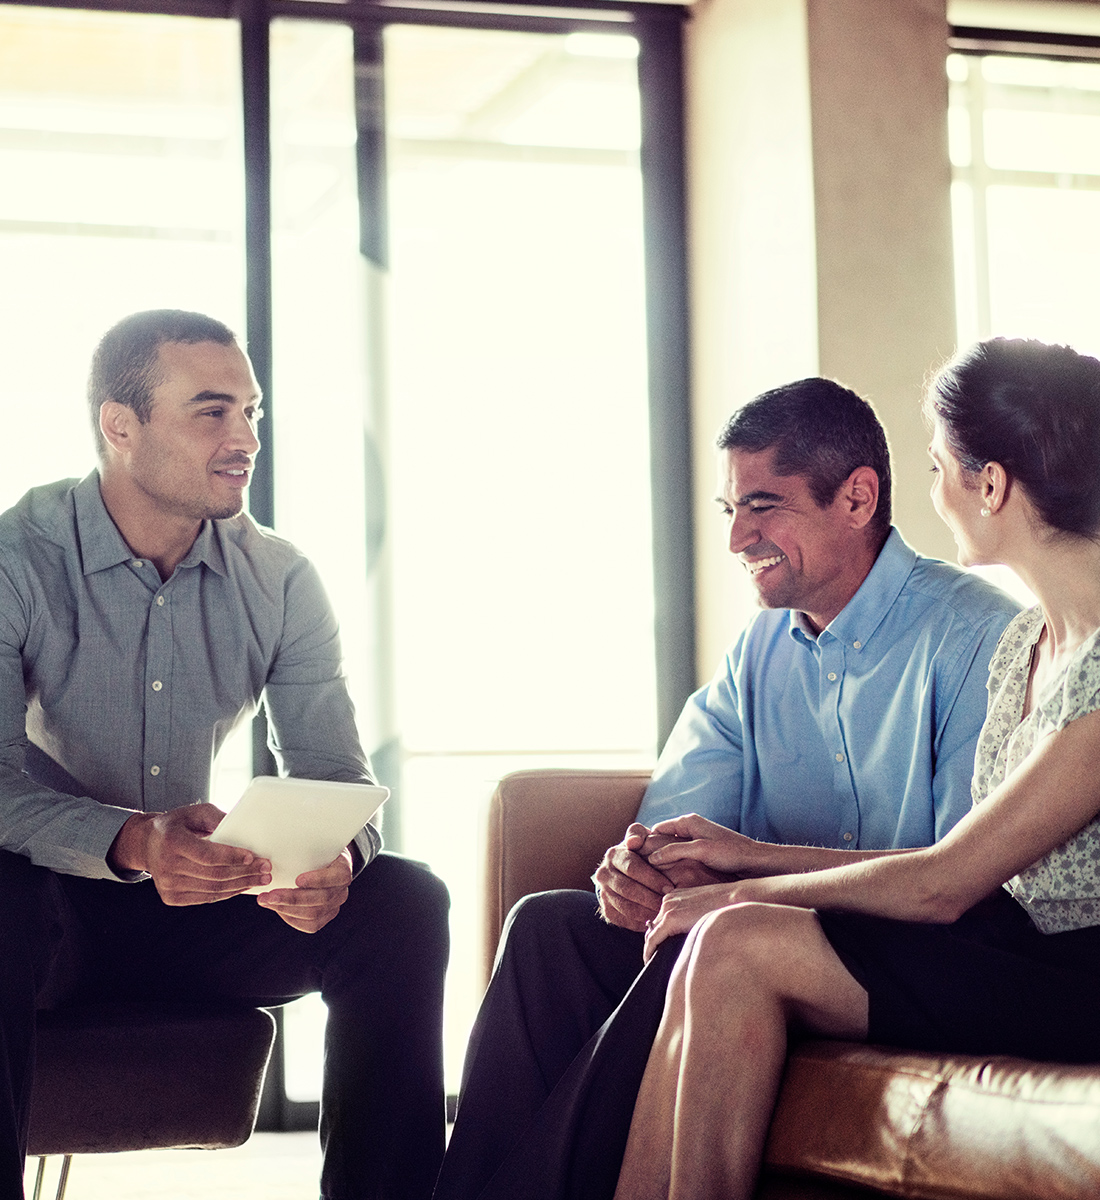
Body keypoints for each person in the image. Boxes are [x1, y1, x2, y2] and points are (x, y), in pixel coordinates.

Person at [433, 378, 1019, 1200]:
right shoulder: (758, 651)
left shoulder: (977, 637)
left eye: (764, 505)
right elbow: (680, 823)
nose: (738, 535)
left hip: (891, 951)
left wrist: (730, 885)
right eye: (728, 509)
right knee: (549, 931)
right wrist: (642, 872)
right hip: (751, 923)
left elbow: (962, 874)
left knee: (700, 942)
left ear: (857, 497)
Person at [614, 336, 1100, 1200]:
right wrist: (738, 859)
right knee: (723, 941)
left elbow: (945, 882)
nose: (934, 491)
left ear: (991, 484)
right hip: (1000, 943)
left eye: (938, 464)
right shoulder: (1026, 643)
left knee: (731, 939)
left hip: (1073, 971)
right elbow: (951, 877)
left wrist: (735, 888)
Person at [0, 310, 449, 1200]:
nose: (245, 439)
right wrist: (132, 841)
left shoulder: (278, 579)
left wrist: (332, 860)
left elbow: (338, 775)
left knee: (403, 900)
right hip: (43, 914)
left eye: (253, 413)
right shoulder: (19, 558)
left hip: (191, 907)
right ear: (119, 427)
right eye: (212, 412)